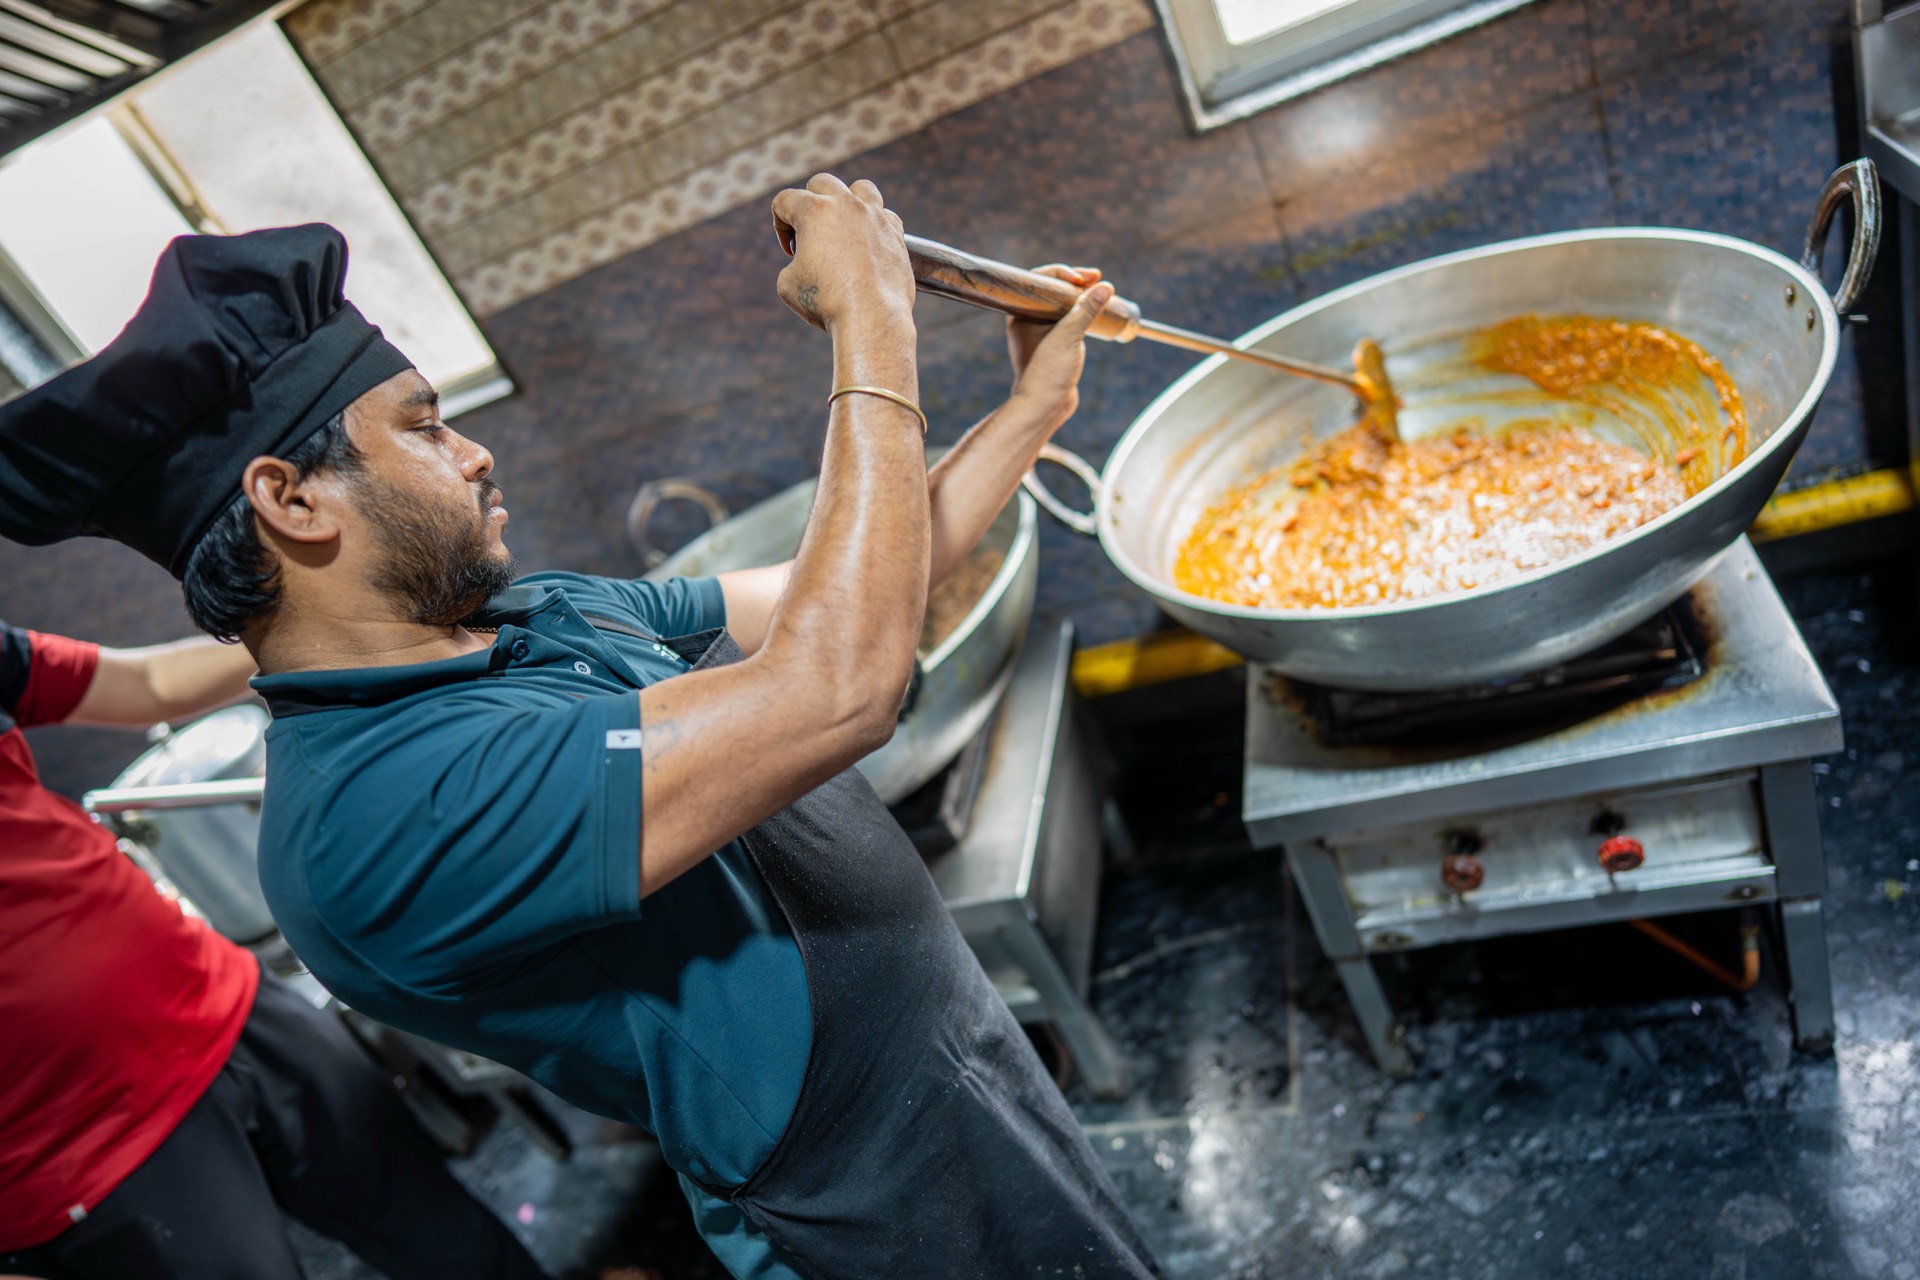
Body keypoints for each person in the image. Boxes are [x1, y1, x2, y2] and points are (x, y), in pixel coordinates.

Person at [0, 177, 1161, 1279]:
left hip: (960, 1057)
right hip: (875, 1190)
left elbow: (850, 588)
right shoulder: (381, 815)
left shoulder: (524, 612)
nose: (474, 450)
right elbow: (838, 687)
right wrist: (874, 330)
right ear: (292, 500)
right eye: (426, 427)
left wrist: (1032, 406)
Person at [0, 622, 551, 1279]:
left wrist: (316, 626)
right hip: (74, 1153)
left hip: (224, 1004)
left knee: (452, 1241)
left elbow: (143, 683)